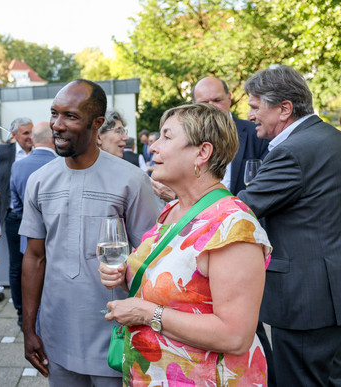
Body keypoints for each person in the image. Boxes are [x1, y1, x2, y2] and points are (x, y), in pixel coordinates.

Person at [100, 103, 271, 385]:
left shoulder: (233, 225)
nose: (153, 147)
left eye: (166, 137)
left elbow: (235, 336)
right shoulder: (173, 209)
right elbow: (175, 284)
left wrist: (145, 312)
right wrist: (124, 276)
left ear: (202, 153)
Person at [20, 79, 159, 386]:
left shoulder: (132, 180)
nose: (57, 125)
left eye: (70, 116)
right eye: (54, 114)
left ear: (97, 123)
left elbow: (153, 257)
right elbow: (34, 257)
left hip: (115, 334)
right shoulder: (39, 181)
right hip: (56, 335)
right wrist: (29, 329)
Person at [237, 65, 341, 386]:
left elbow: (240, 209)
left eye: (255, 106)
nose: (249, 114)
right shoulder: (334, 139)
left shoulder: (291, 152)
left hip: (305, 302)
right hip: (332, 295)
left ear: (284, 109)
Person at [8, 121, 56, 327]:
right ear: (53, 139)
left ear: (34, 140)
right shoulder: (62, 164)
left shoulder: (18, 166)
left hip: (27, 236)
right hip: (56, 236)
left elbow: (17, 206)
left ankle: (26, 317)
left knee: (24, 275)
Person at [0, 117, 33, 306]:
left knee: (37, 263)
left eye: (31, 132)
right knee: (16, 265)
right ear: (14, 135)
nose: (30, 137)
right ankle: (19, 307)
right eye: (25, 133)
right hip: (14, 217)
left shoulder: (40, 153)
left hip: (37, 218)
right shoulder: (3, 152)